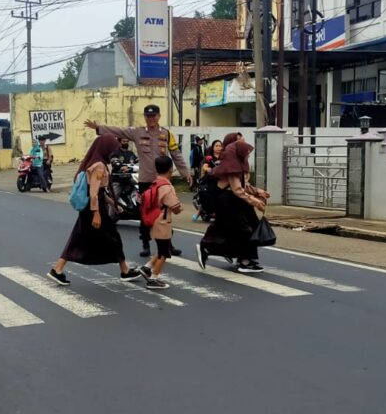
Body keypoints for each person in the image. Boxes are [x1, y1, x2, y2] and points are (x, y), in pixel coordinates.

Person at [84, 104, 193, 259]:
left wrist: (185, 172)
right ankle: (146, 245)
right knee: (145, 214)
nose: (151, 119)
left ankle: (168, 244)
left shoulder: (167, 134)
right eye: (148, 116)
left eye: (154, 115)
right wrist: (99, 128)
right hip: (145, 181)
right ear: (145, 117)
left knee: (165, 214)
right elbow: (118, 131)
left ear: (159, 116)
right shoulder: (137, 132)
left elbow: (176, 154)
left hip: (162, 182)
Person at [48, 135, 143, 287]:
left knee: (78, 237)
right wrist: (97, 213)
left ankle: (57, 269)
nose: (113, 154)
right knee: (113, 237)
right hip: (94, 209)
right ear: (104, 149)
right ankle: (125, 271)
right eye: (111, 150)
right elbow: (94, 193)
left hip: (92, 207)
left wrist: (114, 203)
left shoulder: (94, 162)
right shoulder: (98, 166)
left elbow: (100, 192)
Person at [198, 138, 267, 273]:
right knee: (243, 230)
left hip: (235, 199)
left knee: (247, 227)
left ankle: (246, 259)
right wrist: (255, 201)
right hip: (228, 201)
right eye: (240, 144)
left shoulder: (238, 163)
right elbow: (237, 188)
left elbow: (243, 185)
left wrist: (257, 192)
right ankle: (243, 260)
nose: (246, 151)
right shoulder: (231, 165)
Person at [141, 156, 182, 290]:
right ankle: (153, 279)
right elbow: (175, 206)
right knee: (164, 252)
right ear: (171, 169)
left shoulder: (155, 183)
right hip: (163, 222)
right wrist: (179, 208)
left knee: (161, 248)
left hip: (154, 219)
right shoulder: (166, 186)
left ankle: (146, 268)